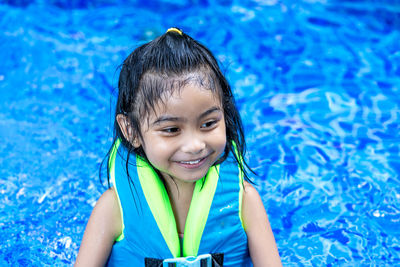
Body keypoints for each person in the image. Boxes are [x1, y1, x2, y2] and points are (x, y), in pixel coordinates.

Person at [75, 27, 282, 267]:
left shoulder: (245, 202)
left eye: (208, 123)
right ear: (131, 131)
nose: (195, 145)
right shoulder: (113, 210)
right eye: (172, 129)